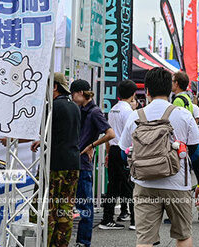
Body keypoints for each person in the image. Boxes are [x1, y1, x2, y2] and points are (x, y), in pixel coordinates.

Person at [118, 67, 199, 247]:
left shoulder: (135, 116)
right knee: (182, 235)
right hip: (177, 183)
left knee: (144, 239)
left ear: (147, 91)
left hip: (144, 184)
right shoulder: (183, 115)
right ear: (169, 89)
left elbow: (123, 152)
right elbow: (196, 155)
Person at [35, 73, 81, 247]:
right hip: (73, 164)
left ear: (55, 87)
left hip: (54, 165)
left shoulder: (52, 107)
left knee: (47, 209)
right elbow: (64, 134)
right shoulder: (75, 107)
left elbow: (42, 132)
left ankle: (45, 243)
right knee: (65, 210)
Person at [69, 80, 115, 247]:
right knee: (79, 205)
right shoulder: (81, 110)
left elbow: (111, 133)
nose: (72, 98)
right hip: (76, 161)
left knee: (85, 206)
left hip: (83, 165)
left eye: (73, 94)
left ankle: (83, 242)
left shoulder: (94, 112)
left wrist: (92, 145)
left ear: (80, 92)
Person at [100, 79, 138, 230]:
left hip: (114, 149)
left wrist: (108, 153)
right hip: (124, 151)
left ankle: (107, 218)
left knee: (113, 186)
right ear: (133, 94)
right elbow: (132, 135)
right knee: (131, 185)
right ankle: (135, 220)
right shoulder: (129, 111)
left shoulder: (113, 109)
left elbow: (110, 134)